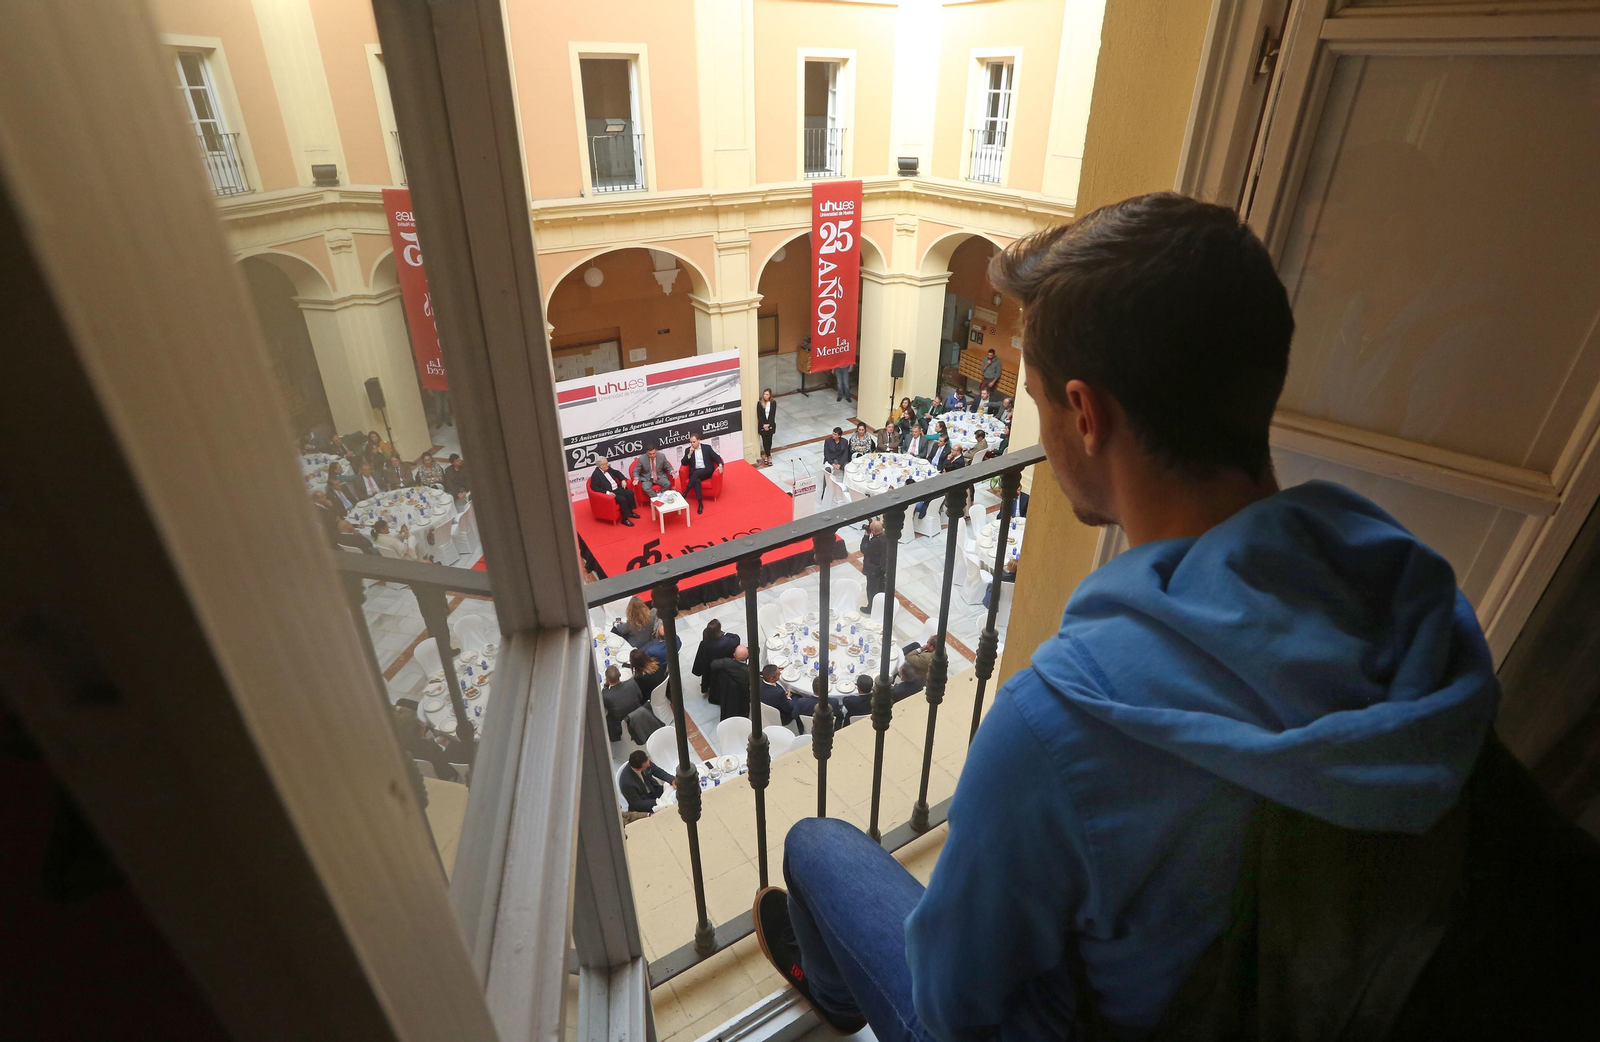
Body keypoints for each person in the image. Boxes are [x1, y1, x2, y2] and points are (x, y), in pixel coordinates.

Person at [749, 193, 1553, 1041]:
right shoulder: (1405, 589)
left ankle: (838, 994)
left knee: (816, 846)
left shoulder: (1055, 727)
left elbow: (954, 1013)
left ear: (1085, 415)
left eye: (1036, 399)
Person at [391, 706, 461, 782]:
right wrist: (449, 744)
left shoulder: (396, 748)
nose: (422, 723)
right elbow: (446, 771)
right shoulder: (431, 748)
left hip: (419, 777)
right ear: (421, 731)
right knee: (455, 746)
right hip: (444, 777)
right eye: (420, 723)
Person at [617, 749, 673, 821]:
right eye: (646, 766)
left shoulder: (645, 760)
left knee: (674, 794)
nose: (649, 765)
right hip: (644, 803)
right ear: (637, 769)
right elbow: (637, 803)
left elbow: (657, 771)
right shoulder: (626, 783)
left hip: (654, 790)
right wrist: (657, 802)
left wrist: (672, 780)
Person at [692, 619, 740, 696]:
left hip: (708, 662)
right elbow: (737, 639)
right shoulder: (726, 642)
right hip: (722, 664)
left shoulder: (706, 634)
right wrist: (727, 634)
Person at [588, 456, 638, 527]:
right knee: (622, 499)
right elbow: (595, 487)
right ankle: (624, 519)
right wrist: (607, 492)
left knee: (630, 493)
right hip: (611, 492)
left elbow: (617, 473)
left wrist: (623, 480)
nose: (608, 464)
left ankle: (630, 512)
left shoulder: (607, 468)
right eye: (606, 463)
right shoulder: (596, 474)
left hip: (617, 488)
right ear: (601, 466)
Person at [707, 645, 752, 722]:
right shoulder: (749, 672)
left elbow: (713, 664)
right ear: (748, 656)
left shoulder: (727, 663)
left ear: (734, 655)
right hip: (741, 698)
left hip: (726, 691)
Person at [680, 433, 723, 514]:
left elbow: (716, 457)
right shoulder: (688, 450)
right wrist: (689, 454)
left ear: (699, 440)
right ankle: (700, 504)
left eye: (694, 442)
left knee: (696, 474)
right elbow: (684, 463)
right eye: (691, 442)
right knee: (697, 480)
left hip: (707, 470)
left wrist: (720, 465)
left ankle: (686, 492)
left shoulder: (707, 448)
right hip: (696, 472)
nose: (692, 444)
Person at [601, 665, 644, 744]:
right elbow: (640, 697)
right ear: (620, 675)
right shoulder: (632, 683)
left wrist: (606, 686)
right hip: (637, 714)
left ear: (607, 680)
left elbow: (604, 705)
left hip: (620, 722)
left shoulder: (606, 695)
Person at [859, 519, 887, 612]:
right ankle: (882, 604)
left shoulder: (875, 541)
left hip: (874, 569)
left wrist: (866, 536)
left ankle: (871, 608)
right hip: (883, 566)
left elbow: (864, 549)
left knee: (872, 589)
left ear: (874, 531)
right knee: (881, 587)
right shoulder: (886, 536)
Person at [756, 388, 778, 465]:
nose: (765, 396)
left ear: (770, 395)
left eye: (767, 394)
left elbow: (772, 415)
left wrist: (768, 424)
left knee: (769, 440)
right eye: (764, 394)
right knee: (765, 441)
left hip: (770, 424)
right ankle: (768, 456)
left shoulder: (773, 403)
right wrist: (764, 424)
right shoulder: (760, 403)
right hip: (763, 425)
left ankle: (767, 455)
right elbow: (759, 415)